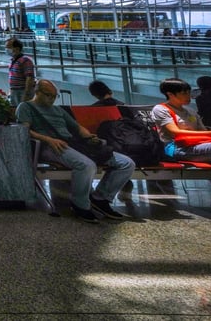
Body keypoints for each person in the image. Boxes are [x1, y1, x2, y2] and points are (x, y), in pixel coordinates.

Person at [17, 79, 135, 223]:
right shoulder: (25, 107)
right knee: (86, 165)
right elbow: (24, 130)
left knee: (126, 163)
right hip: (49, 146)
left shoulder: (58, 110)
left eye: (54, 96)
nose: (52, 99)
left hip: (71, 143)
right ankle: (80, 204)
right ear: (37, 92)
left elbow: (77, 128)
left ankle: (100, 198)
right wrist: (48, 139)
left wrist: (89, 137)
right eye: (48, 95)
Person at [152, 78, 211, 164]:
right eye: (184, 93)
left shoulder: (190, 111)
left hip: (198, 145)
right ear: (170, 94)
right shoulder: (161, 109)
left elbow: (203, 132)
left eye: (189, 92)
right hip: (176, 148)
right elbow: (175, 132)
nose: (188, 96)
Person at [6, 36, 36, 105]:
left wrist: (26, 94)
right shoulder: (13, 61)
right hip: (15, 91)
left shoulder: (25, 60)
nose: (7, 49)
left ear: (17, 48)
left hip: (22, 92)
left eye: (9, 47)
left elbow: (29, 78)